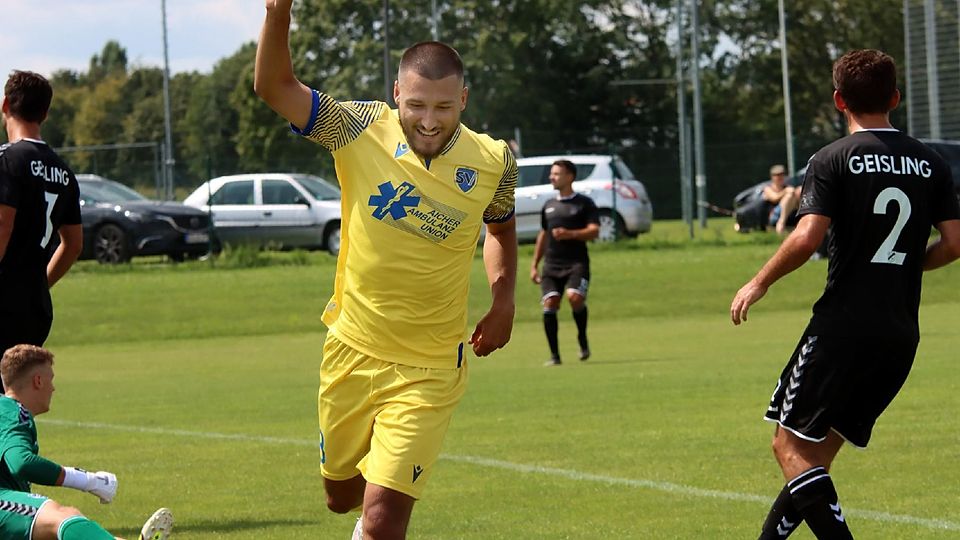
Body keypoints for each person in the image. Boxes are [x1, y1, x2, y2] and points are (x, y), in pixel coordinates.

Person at [254, 2, 517, 538]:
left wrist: (504, 298)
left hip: (431, 367)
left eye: (444, 107)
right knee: (341, 498)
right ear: (397, 94)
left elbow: (501, 228)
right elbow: (273, 86)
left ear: (463, 100)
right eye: (416, 104)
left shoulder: (494, 161)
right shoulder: (356, 128)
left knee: (381, 517)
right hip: (352, 349)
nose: (428, 120)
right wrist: (278, 13)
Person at [730, 49, 960, 539]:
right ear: (895, 98)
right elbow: (956, 243)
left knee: (788, 448)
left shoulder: (832, 158)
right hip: (900, 333)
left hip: (843, 327)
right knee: (814, 460)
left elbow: (808, 236)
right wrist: (907, 267)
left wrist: (760, 280)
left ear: (839, 101)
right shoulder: (931, 162)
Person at [0, 344, 174, 540]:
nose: (54, 388)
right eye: (51, 379)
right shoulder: (14, 412)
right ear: (38, 381)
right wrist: (87, 480)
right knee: (62, 517)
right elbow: (21, 462)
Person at [0, 71, 83, 388]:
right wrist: (40, 283)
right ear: (45, 113)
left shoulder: (7, 160)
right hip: (35, 307)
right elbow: (73, 244)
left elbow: (2, 224)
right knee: (16, 395)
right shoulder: (63, 171)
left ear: (5, 104)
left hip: (3, 300)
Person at [530, 160, 599, 366]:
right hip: (551, 265)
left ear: (570, 176)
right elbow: (543, 235)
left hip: (577, 263)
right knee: (551, 303)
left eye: (556, 174)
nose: (552, 177)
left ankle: (582, 339)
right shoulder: (549, 206)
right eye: (552, 174)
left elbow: (594, 230)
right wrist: (534, 264)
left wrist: (570, 234)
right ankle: (555, 356)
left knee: (575, 298)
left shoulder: (584, 203)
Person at [762, 164, 800, 234]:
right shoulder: (767, 188)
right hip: (774, 217)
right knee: (789, 196)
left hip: (790, 216)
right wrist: (785, 192)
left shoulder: (787, 187)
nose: (780, 177)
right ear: (772, 176)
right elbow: (774, 198)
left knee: (799, 191)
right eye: (777, 175)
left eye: (782, 174)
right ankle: (781, 223)